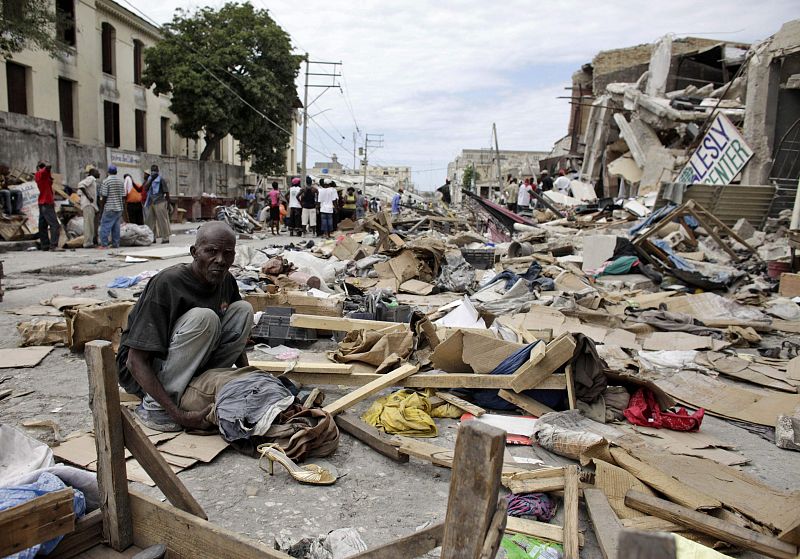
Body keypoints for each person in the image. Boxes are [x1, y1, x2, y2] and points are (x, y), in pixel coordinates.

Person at [117, 222, 253, 432]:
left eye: (228, 254)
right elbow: (135, 361)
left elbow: (236, 335)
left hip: (190, 362)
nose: (220, 260)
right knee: (205, 318)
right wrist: (178, 415)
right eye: (211, 252)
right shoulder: (167, 283)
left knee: (243, 310)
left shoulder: (225, 280)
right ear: (194, 252)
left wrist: (247, 375)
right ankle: (154, 408)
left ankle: (191, 387)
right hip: (142, 370)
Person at [35, 161, 63, 251]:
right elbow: (48, 166)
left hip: (42, 202)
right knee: (54, 225)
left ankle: (45, 245)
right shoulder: (41, 174)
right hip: (47, 203)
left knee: (42, 225)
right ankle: (53, 246)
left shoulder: (40, 175)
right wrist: (45, 162)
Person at [97, 165, 125, 249]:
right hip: (119, 208)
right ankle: (115, 244)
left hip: (110, 207)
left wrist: (101, 209)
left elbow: (104, 196)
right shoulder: (120, 182)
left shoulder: (106, 181)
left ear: (108, 172)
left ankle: (104, 244)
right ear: (116, 172)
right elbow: (123, 196)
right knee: (116, 227)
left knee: (105, 226)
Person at [144, 164, 171, 243]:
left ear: (158, 171)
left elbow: (166, 192)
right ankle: (153, 237)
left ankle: (165, 238)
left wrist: (168, 204)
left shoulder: (161, 180)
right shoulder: (149, 179)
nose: (153, 172)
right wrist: (151, 179)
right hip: (151, 202)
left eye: (155, 171)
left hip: (160, 202)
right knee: (150, 222)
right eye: (152, 171)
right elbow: (146, 188)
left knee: (162, 221)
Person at [77, 167, 100, 248]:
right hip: (88, 205)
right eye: (97, 172)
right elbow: (81, 185)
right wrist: (88, 196)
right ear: (93, 173)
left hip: (89, 205)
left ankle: (89, 242)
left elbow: (79, 192)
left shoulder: (92, 181)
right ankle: (87, 243)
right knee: (88, 224)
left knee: (89, 224)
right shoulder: (91, 178)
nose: (99, 174)